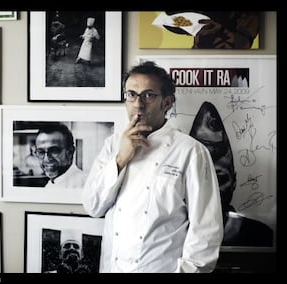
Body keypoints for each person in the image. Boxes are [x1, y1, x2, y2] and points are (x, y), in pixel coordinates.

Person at [82, 61, 224, 273]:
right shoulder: (112, 145)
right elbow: (93, 207)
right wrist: (121, 159)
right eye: (131, 94)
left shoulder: (190, 151)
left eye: (148, 95)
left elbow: (206, 231)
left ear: (167, 103)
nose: (138, 104)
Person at [189, 101, 273, 247]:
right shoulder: (173, 232)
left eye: (220, 178)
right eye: (203, 178)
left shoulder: (260, 235)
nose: (212, 188)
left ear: (234, 182)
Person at [34, 123, 87, 189]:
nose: (46, 159)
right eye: (41, 152)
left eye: (54, 151)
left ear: (70, 152)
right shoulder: (50, 185)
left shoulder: (84, 185)